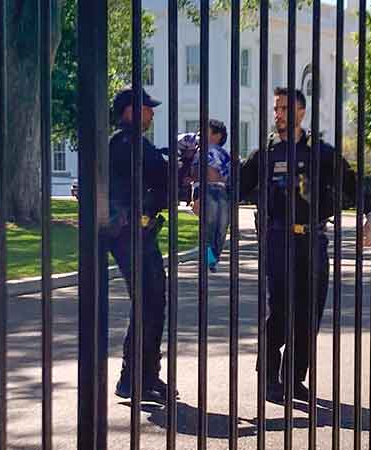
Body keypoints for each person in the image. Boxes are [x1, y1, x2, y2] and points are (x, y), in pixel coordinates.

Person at [239, 87, 371, 403]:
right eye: (276, 108)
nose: (278, 114)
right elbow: (237, 186)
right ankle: (269, 376)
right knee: (281, 311)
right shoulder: (266, 154)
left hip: (313, 240)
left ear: (301, 112)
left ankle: (294, 379)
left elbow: (354, 185)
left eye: (284, 108)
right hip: (277, 239)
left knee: (309, 313)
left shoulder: (321, 153)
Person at [106, 87, 174, 403]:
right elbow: (162, 180)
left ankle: (144, 377)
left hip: (140, 234)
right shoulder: (127, 145)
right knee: (148, 303)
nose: (152, 113)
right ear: (131, 112)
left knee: (152, 303)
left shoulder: (133, 145)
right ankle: (132, 378)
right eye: (147, 108)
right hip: (129, 235)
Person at [188, 119, 231, 273]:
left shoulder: (224, 154)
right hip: (206, 190)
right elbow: (195, 174)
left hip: (222, 192)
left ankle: (213, 259)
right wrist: (195, 197)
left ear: (217, 135)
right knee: (209, 227)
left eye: (205, 130)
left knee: (222, 227)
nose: (200, 134)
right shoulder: (199, 151)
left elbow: (228, 176)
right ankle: (207, 260)